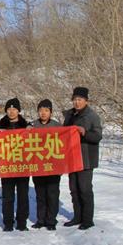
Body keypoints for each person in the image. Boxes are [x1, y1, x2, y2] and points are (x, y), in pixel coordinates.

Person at [63, 87, 102, 230]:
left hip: (86, 158)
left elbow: (97, 136)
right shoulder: (69, 115)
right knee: (74, 189)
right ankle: (77, 216)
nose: (77, 102)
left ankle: (87, 219)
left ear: (86, 101)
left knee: (85, 189)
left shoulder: (92, 116)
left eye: (80, 99)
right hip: (72, 157)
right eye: (75, 99)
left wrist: (85, 132)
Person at [0, 98, 30, 232]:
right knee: (7, 196)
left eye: (14, 109)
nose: (11, 112)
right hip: (7, 165)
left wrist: (30, 131)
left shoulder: (26, 125)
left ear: (18, 111)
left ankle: (22, 222)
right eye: (9, 109)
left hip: (22, 165)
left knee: (23, 196)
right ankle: (8, 223)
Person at [30, 99, 62, 231]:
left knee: (52, 195)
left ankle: (51, 220)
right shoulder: (32, 126)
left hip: (53, 166)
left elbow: (64, 146)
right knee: (40, 195)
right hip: (38, 166)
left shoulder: (58, 126)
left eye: (46, 110)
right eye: (41, 110)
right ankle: (40, 219)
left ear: (51, 112)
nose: (43, 113)